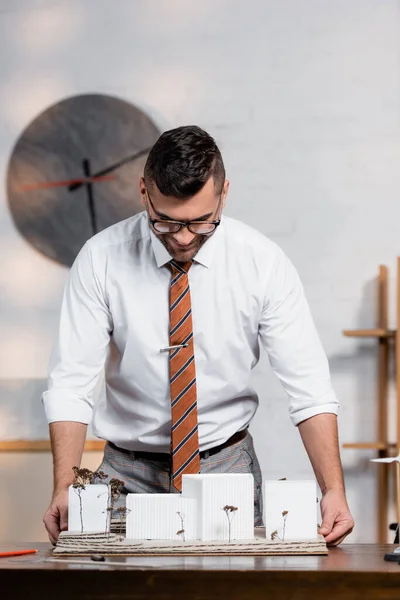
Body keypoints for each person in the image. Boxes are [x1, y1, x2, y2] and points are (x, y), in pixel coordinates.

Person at [42, 125, 354, 545]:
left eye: (201, 223)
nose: (184, 238)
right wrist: (65, 485)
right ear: (143, 192)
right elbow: (71, 384)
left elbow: (309, 387)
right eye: (166, 223)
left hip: (227, 466)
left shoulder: (262, 263)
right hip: (126, 472)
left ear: (224, 193)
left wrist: (333, 488)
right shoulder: (101, 259)